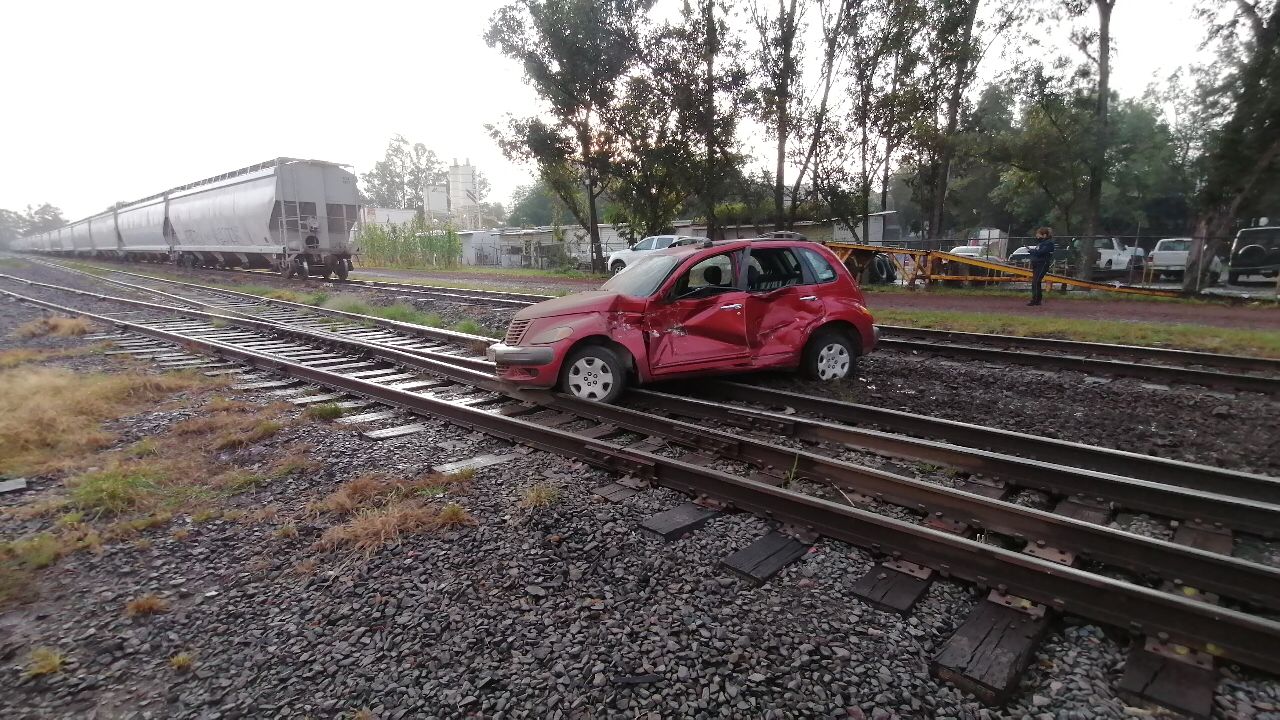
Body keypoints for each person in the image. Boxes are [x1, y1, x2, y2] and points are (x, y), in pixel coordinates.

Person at [1026, 227, 1056, 306]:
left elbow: (1041, 252)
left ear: (1044, 235)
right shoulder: (1041, 243)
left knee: (1036, 281)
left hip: (1042, 264)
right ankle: (1037, 299)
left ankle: (1035, 299)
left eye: (1038, 234)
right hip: (1037, 263)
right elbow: (1037, 252)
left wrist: (1032, 251)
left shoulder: (1048, 243)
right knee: (1035, 282)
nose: (1037, 236)